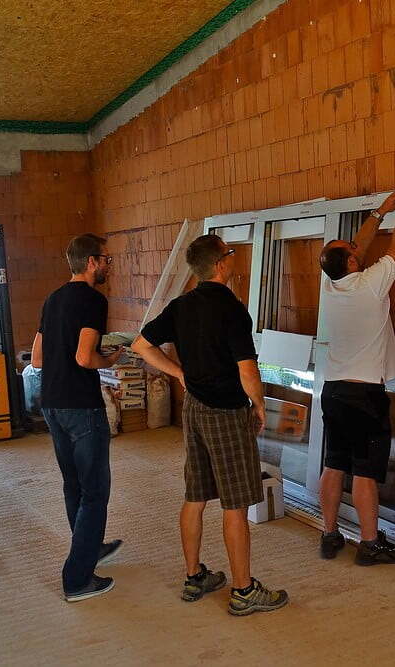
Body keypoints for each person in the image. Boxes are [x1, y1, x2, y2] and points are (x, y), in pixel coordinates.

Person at [131, 234, 289, 616]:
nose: (233, 258)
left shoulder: (181, 305)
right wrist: (259, 403)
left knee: (195, 496)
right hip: (227, 413)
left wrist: (179, 374)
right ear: (220, 264)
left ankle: (194, 576)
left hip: (194, 409)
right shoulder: (232, 309)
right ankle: (244, 590)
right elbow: (247, 369)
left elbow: (141, 345)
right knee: (235, 504)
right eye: (230, 253)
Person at [316, 190, 395, 565]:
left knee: (334, 464)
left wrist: (380, 212)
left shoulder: (331, 284)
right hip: (364, 398)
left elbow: (355, 248)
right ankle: (370, 543)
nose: (357, 248)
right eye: (352, 250)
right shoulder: (371, 284)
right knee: (364, 471)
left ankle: (330, 534)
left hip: (334, 392)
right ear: (351, 261)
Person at [31, 233, 124, 602]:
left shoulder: (52, 298)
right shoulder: (93, 300)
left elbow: (37, 359)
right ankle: (77, 579)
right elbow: (85, 358)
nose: (108, 266)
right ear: (91, 262)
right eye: (106, 259)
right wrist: (110, 359)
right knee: (95, 491)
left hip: (52, 403)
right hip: (81, 406)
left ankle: (89, 548)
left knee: (74, 485)